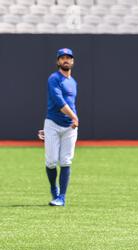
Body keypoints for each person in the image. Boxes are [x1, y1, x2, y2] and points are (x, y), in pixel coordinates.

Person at [43, 48, 79, 207]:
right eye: (62, 58)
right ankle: (54, 189)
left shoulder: (73, 82)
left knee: (65, 160)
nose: (66, 60)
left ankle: (61, 197)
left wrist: (73, 119)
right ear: (58, 61)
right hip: (52, 123)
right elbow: (58, 102)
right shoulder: (54, 78)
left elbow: (71, 104)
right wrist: (74, 116)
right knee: (51, 161)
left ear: (72, 61)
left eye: (68, 58)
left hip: (69, 127)